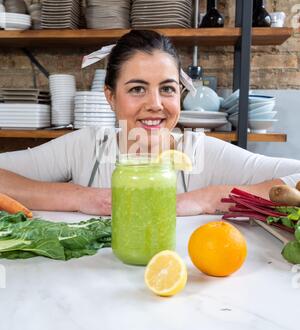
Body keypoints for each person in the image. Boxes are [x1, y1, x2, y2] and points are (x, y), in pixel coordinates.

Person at [0, 29, 299, 216]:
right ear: (111, 96)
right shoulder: (86, 147)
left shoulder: (201, 153)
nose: (155, 104)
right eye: (137, 89)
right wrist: (86, 198)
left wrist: (206, 198)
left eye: (167, 88)